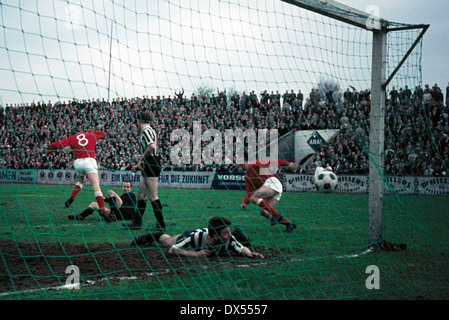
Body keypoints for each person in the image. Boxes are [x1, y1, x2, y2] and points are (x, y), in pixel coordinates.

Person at [43, 128, 109, 218]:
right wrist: (101, 139)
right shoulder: (91, 134)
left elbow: (55, 145)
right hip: (89, 161)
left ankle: (72, 196)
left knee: (82, 181)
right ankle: (102, 209)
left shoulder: (72, 139)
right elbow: (103, 133)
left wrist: (46, 154)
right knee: (96, 188)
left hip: (78, 163)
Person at [131, 216, 265, 259]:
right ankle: (154, 235)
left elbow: (241, 248)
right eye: (225, 233)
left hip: (206, 235)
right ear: (214, 236)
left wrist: (250, 253)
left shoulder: (229, 239)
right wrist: (195, 253)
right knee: (167, 242)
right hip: (190, 235)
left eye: (228, 232)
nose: (229, 235)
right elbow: (172, 250)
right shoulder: (196, 238)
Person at [123, 111, 165, 231]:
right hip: (148, 163)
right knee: (141, 194)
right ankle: (137, 222)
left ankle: (161, 225)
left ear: (139, 121)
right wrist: (140, 163)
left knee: (153, 195)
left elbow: (151, 147)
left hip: (151, 163)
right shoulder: (149, 131)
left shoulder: (146, 131)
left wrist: (141, 158)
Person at [240, 158, 299, 232]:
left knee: (254, 198)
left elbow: (273, 161)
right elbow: (249, 192)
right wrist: (244, 202)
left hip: (272, 182)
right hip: (273, 189)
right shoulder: (247, 177)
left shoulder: (255, 164)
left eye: (242, 162)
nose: (241, 164)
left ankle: (276, 215)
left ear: (246, 161)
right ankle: (289, 224)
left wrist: (288, 164)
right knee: (264, 212)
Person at [68, 180, 137, 222]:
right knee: (94, 204)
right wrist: (103, 199)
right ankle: (81, 216)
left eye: (127, 187)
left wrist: (107, 198)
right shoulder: (123, 196)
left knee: (110, 192)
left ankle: (112, 214)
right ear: (121, 187)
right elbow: (114, 202)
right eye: (124, 186)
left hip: (128, 215)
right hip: (119, 214)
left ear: (131, 188)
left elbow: (119, 202)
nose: (125, 188)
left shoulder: (132, 195)